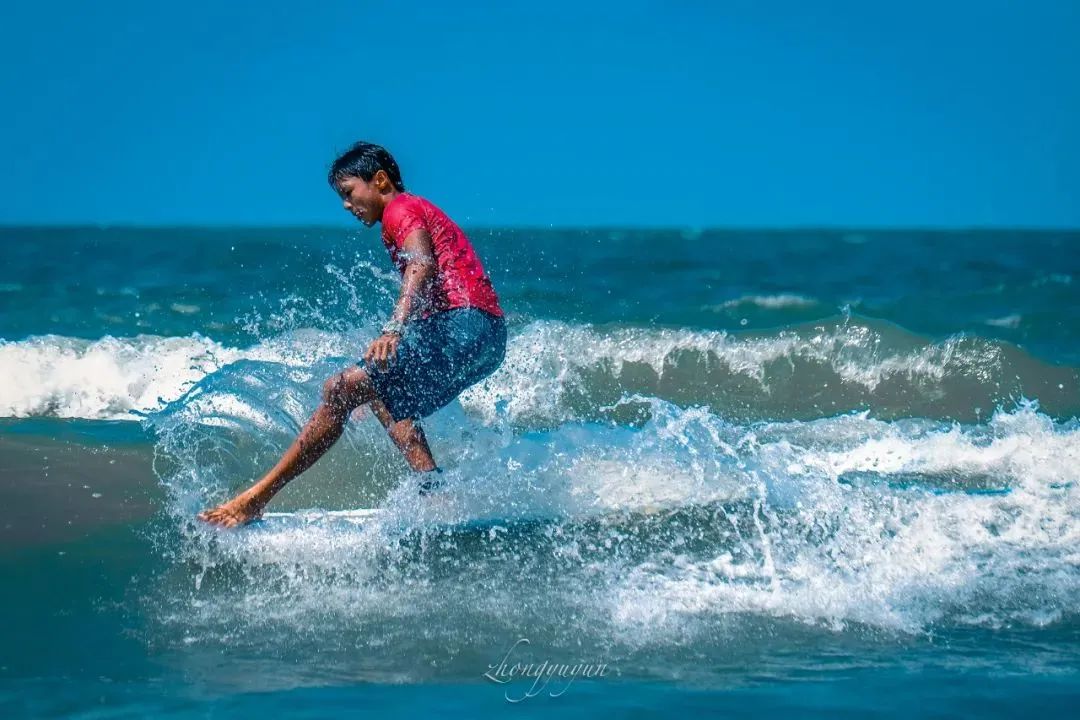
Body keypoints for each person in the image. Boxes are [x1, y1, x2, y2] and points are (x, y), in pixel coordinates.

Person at [198, 142, 507, 528]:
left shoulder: (400, 209)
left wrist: (394, 328)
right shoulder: (410, 212)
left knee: (338, 389)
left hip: (464, 325)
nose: (346, 205)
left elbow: (422, 266)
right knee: (373, 382)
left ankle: (255, 499)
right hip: (488, 338)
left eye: (348, 193)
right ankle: (434, 492)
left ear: (379, 180)